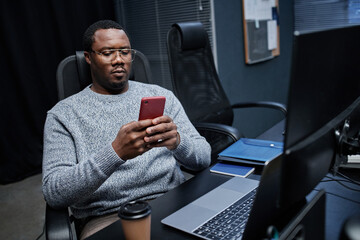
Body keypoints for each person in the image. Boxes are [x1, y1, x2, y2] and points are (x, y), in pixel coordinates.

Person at [42, 19, 211, 239]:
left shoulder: (161, 96)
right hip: (109, 216)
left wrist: (178, 142)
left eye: (124, 51)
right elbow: (55, 192)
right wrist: (115, 153)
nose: (119, 60)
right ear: (88, 57)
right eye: (107, 52)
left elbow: (204, 157)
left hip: (174, 200)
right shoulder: (63, 115)